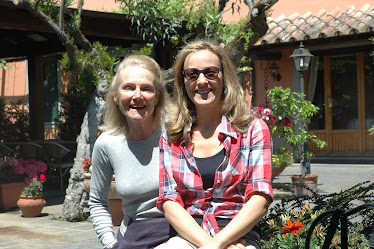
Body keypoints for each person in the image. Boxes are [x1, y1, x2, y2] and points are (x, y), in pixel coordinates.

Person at [156, 40, 273, 249]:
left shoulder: (253, 130)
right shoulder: (172, 136)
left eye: (210, 72)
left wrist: (218, 243)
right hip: (188, 237)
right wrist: (209, 245)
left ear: (224, 77)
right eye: (192, 74)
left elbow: (260, 197)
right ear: (183, 82)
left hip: (239, 236)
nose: (201, 81)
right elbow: (169, 201)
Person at [89, 55, 170, 249]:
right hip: (134, 238)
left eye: (146, 88)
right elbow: (97, 202)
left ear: (157, 96)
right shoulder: (107, 144)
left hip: (180, 233)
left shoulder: (177, 133)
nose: (137, 95)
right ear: (116, 96)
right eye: (129, 87)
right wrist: (110, 244)